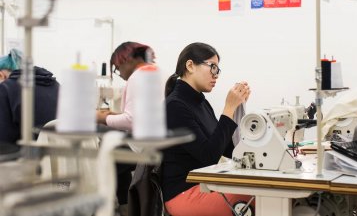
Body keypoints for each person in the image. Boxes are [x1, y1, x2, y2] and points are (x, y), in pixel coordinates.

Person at [162, 42, 254, 216]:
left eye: (217, 70)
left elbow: (228, 149)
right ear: (190, 66)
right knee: (258, 197)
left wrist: (236, 109)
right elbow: (209, 156)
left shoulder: (201, 102)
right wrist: (228, 108)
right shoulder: (175, 106)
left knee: (261, 192)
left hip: (204, 185)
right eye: (212, 67)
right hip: (183, 194)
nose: (216, 75)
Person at [0, 49, 59, 148]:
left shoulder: (5, 90)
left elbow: (3, 144)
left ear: (1, 75)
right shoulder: (56, 86)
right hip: (61, 158)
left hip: (26, 159)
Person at [96, 41, 155, 131]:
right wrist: (116, 116)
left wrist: (101, 117)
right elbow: (144, 118)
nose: (120, 74)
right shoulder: (156, 73)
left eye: (117, 68)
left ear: (128, 59)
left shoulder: (136, 76)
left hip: (142, 143)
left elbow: (131, 121)